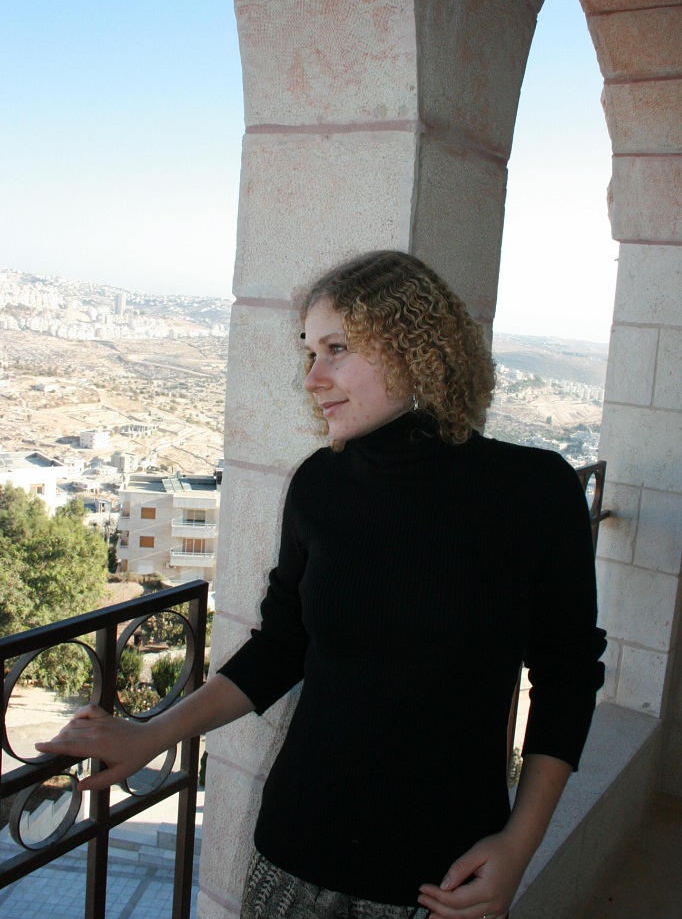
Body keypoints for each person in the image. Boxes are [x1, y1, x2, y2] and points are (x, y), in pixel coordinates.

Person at [37, 250, 606, 919]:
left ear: (415, 347)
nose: (313, 378)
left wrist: (520, 843)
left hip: (444, 878)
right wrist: (151, 734)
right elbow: (282, 647)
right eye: (310, 352)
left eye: (336, 349)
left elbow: (568, 677)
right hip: (294, 854)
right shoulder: (321, 484)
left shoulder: (533, 490)